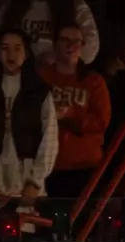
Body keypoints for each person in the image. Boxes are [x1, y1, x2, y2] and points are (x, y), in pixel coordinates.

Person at [0, 29, 59, 200]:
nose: (11, 54)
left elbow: (50, 136)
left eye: (17, 48)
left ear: (25, 53)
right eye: (5, 48)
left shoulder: (38, 90)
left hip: (27, 170)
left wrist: (35, 181)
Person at [39, 20, 110, 198]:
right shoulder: (42, 76)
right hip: (48, 164)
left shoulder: (94, 81)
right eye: (65, 40)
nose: (71, 46)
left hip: (85, 165)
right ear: (55, 44)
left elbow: (101, 121)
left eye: (76, 41)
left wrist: (71, 114)